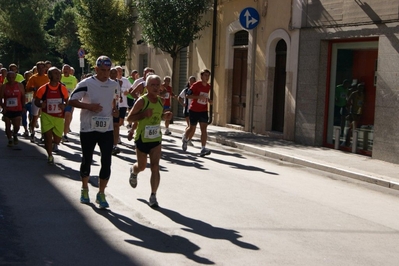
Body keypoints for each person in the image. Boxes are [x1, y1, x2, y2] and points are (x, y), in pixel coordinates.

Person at [68, 55, 119, 209]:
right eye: (102, 70)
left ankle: (101, 193)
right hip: (88, 128)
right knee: (87, 159)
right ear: (96, 69)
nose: (105, 73)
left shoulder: (114, 84)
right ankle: (84, 189)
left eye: (108, 70)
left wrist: (115, 111)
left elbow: (115, 100)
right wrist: (89, 107)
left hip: (106, 128)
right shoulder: (87, 83)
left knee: (107, 161)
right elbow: (71, 100)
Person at [126, 74, 172, 207]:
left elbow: (158, 116)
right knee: (141, 166)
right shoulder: (142, 101)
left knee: (155, 167)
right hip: (142, 139)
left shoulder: (160, 101)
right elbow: (129, 118)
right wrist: (143, 114)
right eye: (153, 85)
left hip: (156, 138)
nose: (156, 87)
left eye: (158, 85)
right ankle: (134, 171)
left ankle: (153, 195)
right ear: (146, 87)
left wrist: (165, 116)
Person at [34, 67, 69, 164]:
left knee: (57, 140)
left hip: (59, 116)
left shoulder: (62, 88)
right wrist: (41, 104)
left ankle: (54, 144)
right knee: (47, 137)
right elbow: (36, 101)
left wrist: (64, 106)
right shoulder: (43, 88)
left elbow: (68, 101)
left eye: (59, 73)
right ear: (49, 76)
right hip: (46, 115)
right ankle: (50, 155)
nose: (58, 76)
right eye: (55, 73)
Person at [182, 69, 212, 156]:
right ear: (201, 76)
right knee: (192, 128)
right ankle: (185, 138)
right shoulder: (196, 85)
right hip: (194, 110)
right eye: (205, 75)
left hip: (203, 110)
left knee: (204, 129)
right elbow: (187, 95)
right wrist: (198, 96)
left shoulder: (208, 87)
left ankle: (203, 148)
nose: (207, 77)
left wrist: (209, 100)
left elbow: (206, 97)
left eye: (208, 76)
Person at [126, 67, 155, 141]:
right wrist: (138, 98)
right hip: (142, 104)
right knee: (138, 120)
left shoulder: (156, 84)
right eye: (145, 73)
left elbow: (162, 91)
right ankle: (133, 131)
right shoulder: (140, 83)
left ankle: (148, 135)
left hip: (152, 104)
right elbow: (131, 91)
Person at [25, 61, 50, 142]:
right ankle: (32, 132)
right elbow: (27, 88)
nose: (41, 70)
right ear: (36, 69)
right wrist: (33, 88)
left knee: (45, 117)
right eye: (39, 68)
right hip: (36, 99)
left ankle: (44, 134)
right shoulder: (33, 77)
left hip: (46, 99)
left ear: (45, 69)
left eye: (42, 68)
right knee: (35, 117)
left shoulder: (48, 77)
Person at [0, 71, 25, 146]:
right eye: (9, 78)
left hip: (17, 108)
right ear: (7, 78)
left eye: (12, 78)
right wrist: (3, 107)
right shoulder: (4, 86)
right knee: (7, 125)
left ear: (15, 78)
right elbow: (0, 98)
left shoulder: (19, 85)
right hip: (7, 109)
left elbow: (23, 96)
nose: (11, 79)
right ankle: (10, 139)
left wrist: (23, 106)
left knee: (16, 125)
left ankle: (15, 134)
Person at [61, 64, 78, 142]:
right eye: (65, 69)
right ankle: (59, 133)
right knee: (60, 117)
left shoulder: (73, 78)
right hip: (60, 100)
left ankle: (65, 135)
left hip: (69, 100)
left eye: (67, 69)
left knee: (68, 115)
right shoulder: (59, 77)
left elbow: (75, 89)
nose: (66, 70)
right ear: (62, 70)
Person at [178, 76, 196, 146]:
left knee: (193, 127)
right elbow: (179, 97)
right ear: (189, 82)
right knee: (190, 125)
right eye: (191, 81)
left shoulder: (196, 90)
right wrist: (183, 104)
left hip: (195, 110)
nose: (192, 82)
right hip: (187, 110)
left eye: (194, 81)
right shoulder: (186, 90)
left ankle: (188, 139)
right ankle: (186, 137)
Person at [21, 70, 33, 137]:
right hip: (24, 103)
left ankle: (31, 127)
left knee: (32, 116)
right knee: (24, 117)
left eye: (29, 76)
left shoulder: (33, 83)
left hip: (31, 102)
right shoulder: (21, 83)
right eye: (26, 76)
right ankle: (26, 130)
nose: (28, 77)